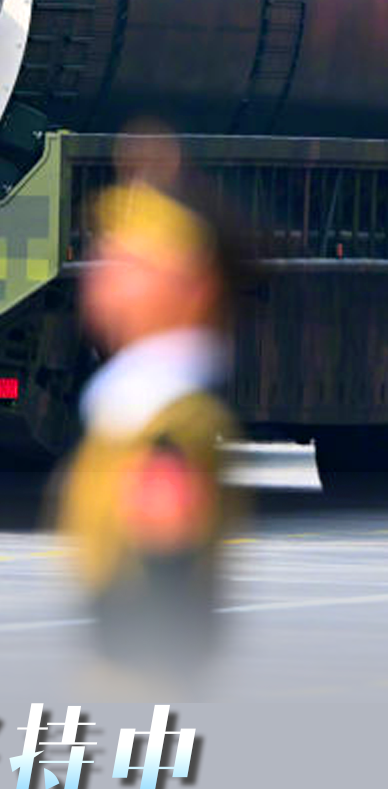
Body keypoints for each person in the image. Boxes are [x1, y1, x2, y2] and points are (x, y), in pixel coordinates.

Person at [57, 161, 244, 678]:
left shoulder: (166, 429)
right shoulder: (129, 411)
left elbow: (165, 572)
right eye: (106, 259)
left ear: (197, 286)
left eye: (132, 266)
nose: (104, 279)